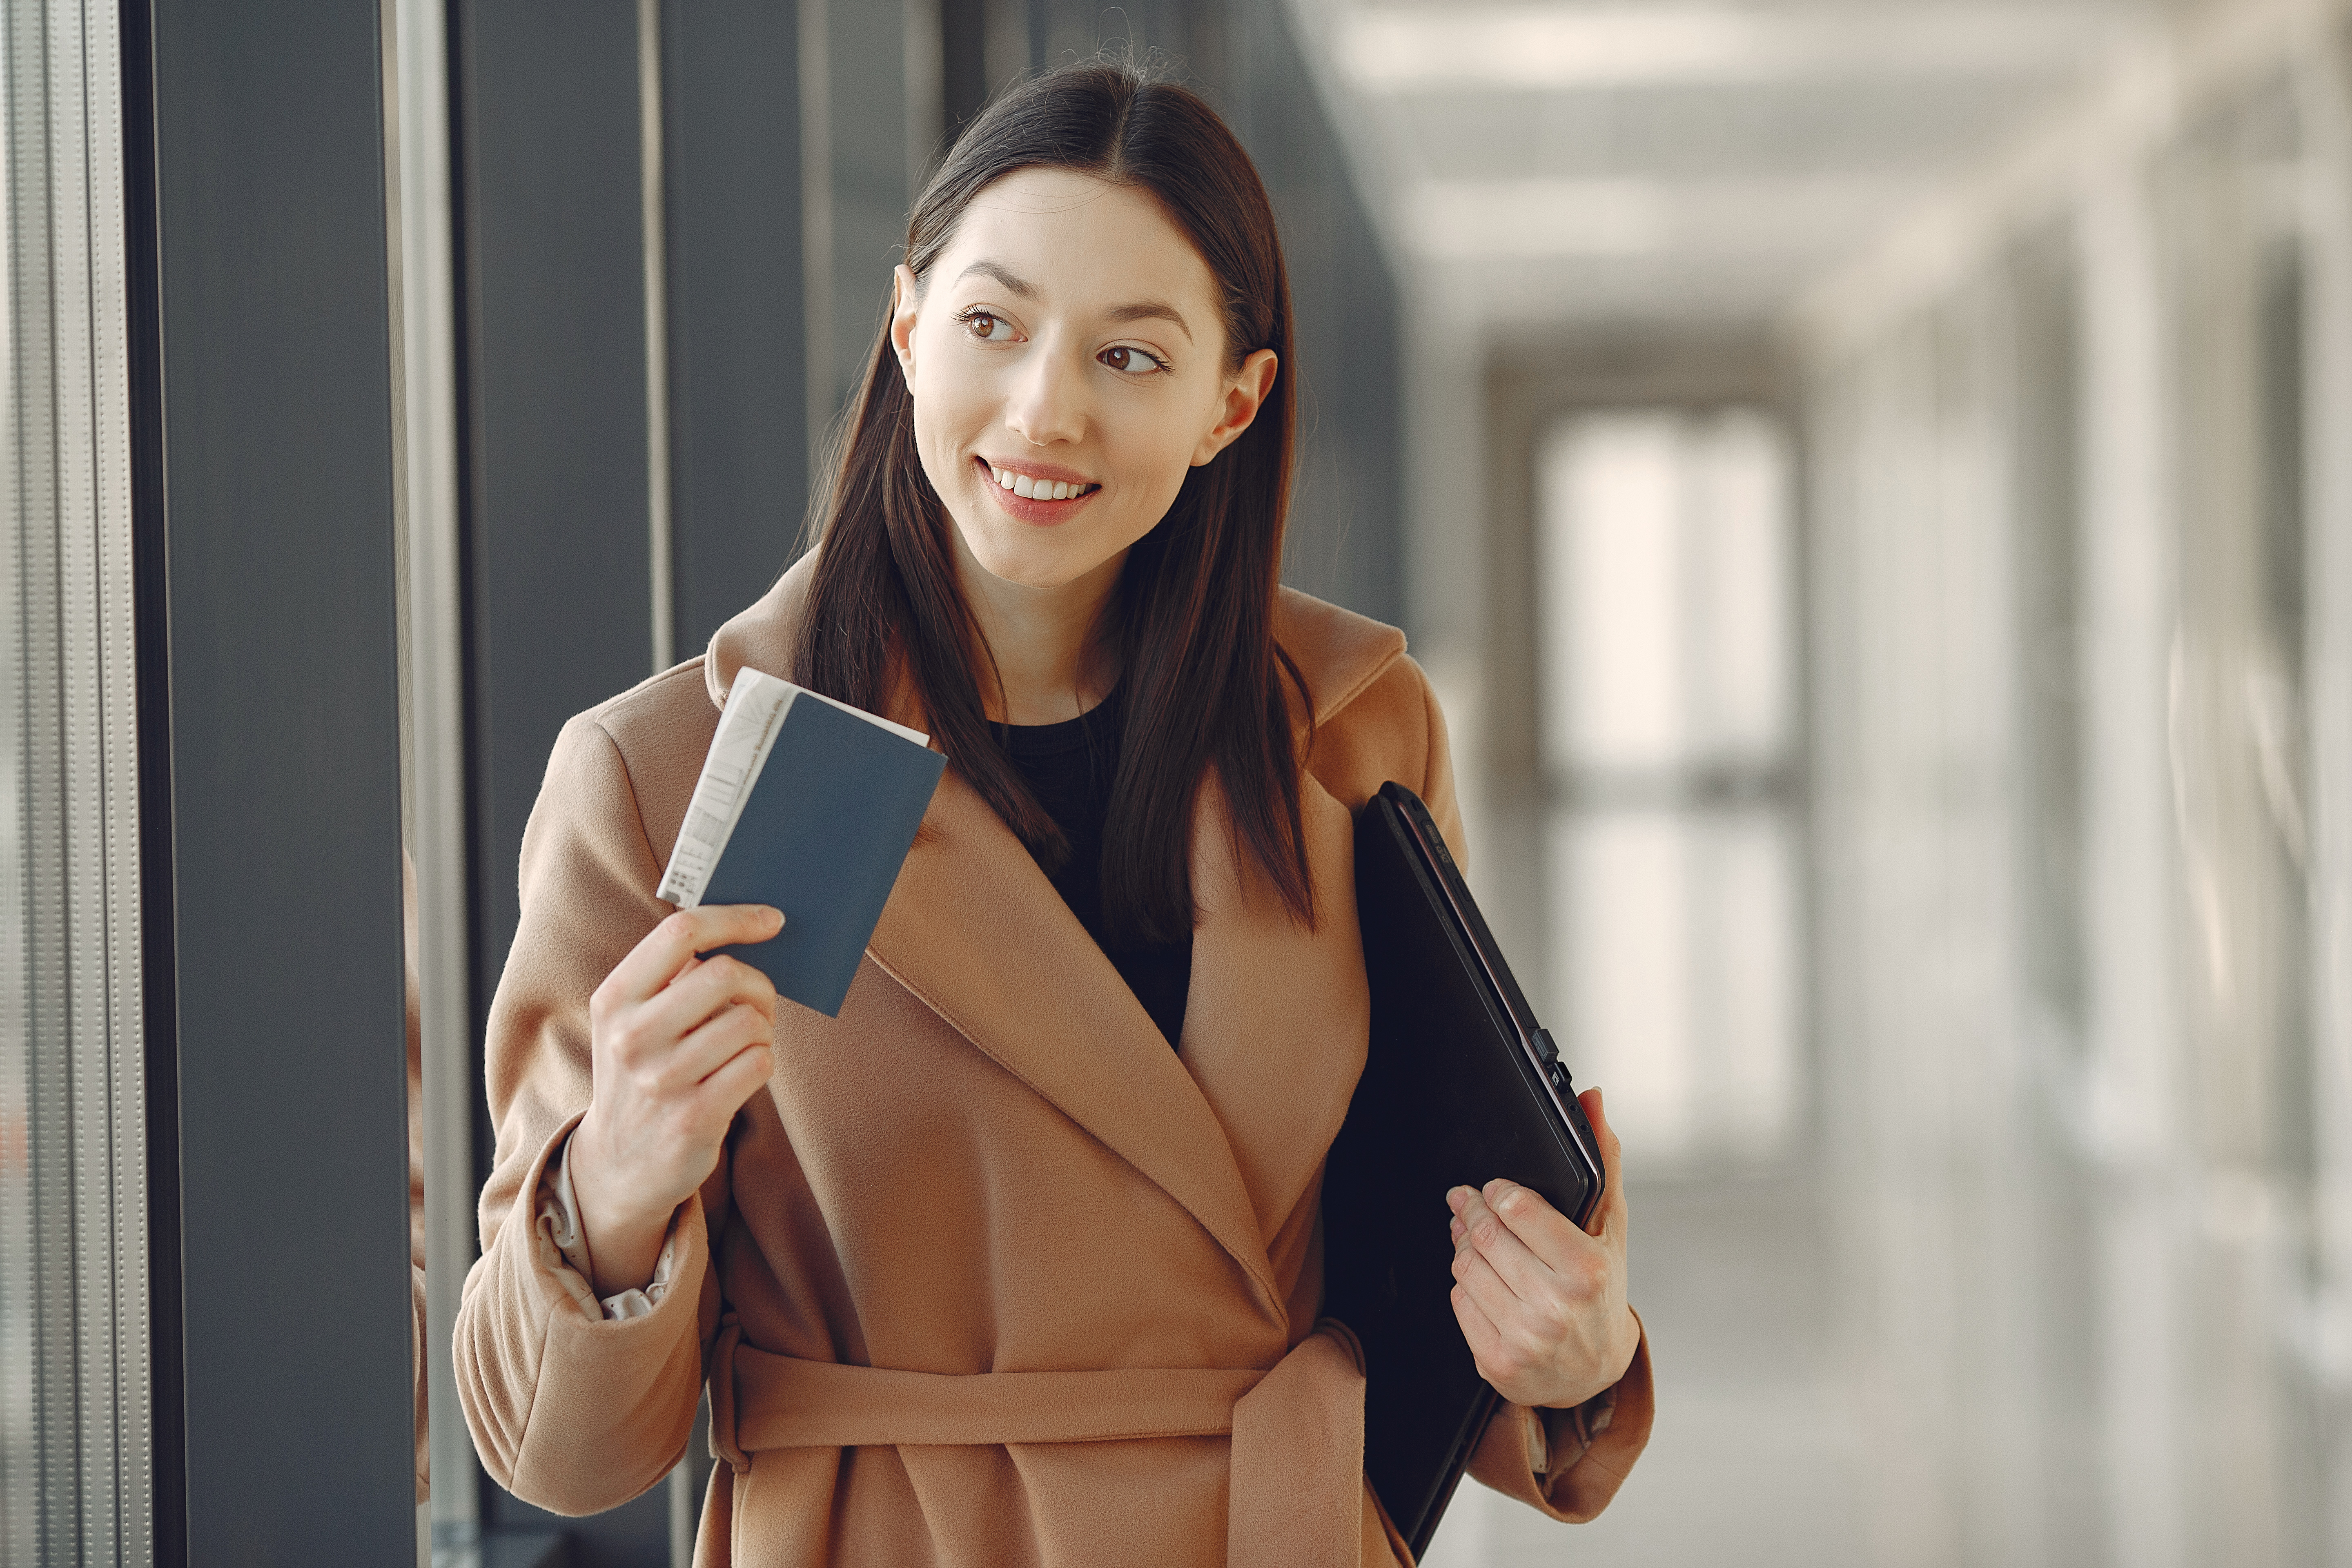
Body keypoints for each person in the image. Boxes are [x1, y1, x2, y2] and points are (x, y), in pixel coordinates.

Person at [454, 57, 1651, 1566]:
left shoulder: (1350, 734)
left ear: (1235, 401)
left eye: (1131, 358)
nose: (1042, 411)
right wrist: (612, 1188)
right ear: (906, 328)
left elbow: (1419, 1225)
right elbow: (552, 1452)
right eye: (991, 325)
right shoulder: (672, 771)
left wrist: (1578, 1357)